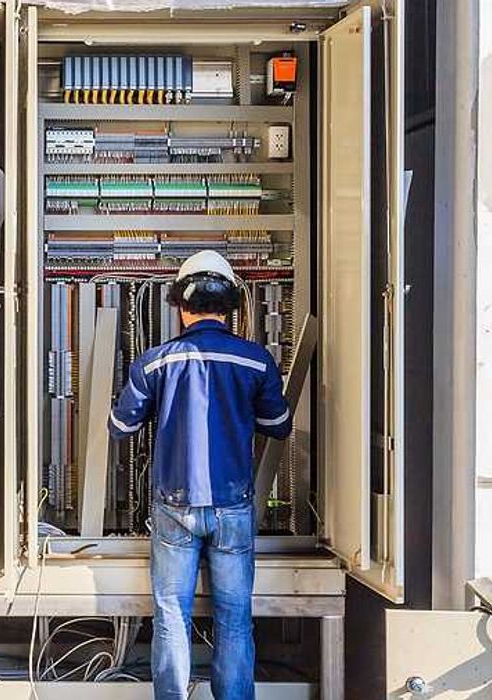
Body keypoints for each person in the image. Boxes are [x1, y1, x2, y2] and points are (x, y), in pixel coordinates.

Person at [108, 250, 292, 700]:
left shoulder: (154, 363)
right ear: (230, 304)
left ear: (179, 303)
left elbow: (120, 427)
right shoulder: (255, 360)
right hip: (233, 507)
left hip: (174, 506)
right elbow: (279, 425)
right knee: (234, 617)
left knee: (171, 613)